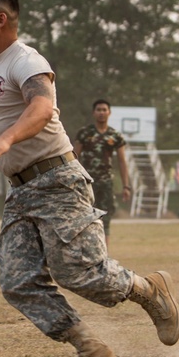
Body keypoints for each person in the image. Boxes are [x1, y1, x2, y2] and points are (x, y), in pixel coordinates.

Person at [0, 0, 179, 357]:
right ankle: (91, 351)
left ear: (1, 19)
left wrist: (7, 138)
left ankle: (149, 289)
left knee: (82, 274)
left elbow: (42, 107)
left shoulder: (25, 61)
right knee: (18, 281)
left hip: (57, 179)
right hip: (21, 191)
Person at [73, 99, 131, 247]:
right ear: (94, 113)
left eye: (104, 110)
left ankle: (104, 253)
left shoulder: (115, 136)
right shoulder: (85, 133)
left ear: (109, 113)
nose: (101, 113)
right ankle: (87, 249)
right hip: (86, 182)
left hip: (106, 182)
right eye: (98, 110)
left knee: (105, 217)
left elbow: (122, 161)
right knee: (85, 215)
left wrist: (126, 186)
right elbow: (73, 157)